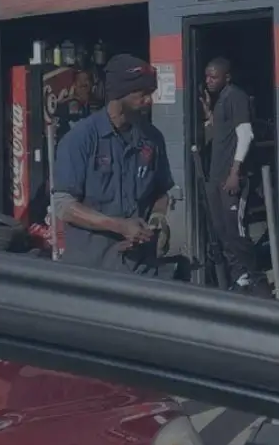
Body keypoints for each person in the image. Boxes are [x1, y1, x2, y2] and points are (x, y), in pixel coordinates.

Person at [51, 54, 175, 275]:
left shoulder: (152, 138)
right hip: (91, 271)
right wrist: (119, 225)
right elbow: (64, 206)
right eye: (142, 94)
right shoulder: (80, 139)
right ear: (119, 95)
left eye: (151, 94)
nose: (149, 100)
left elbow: (161, 192)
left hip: (141, 267)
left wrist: (158, 220)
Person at [200, 57, 262, 293]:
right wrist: (208, 114)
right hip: (216, 177)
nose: (209, 81)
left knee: (236, 232)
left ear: (227, 77)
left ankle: (253, 277)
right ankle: (239, 277)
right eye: (207, 76)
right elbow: (220, 132)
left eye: (213, 77)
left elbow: (245, 134)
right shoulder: (220, 100)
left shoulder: (236, 96)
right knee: (221, 230)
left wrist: (235, 172)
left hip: (230, 178)